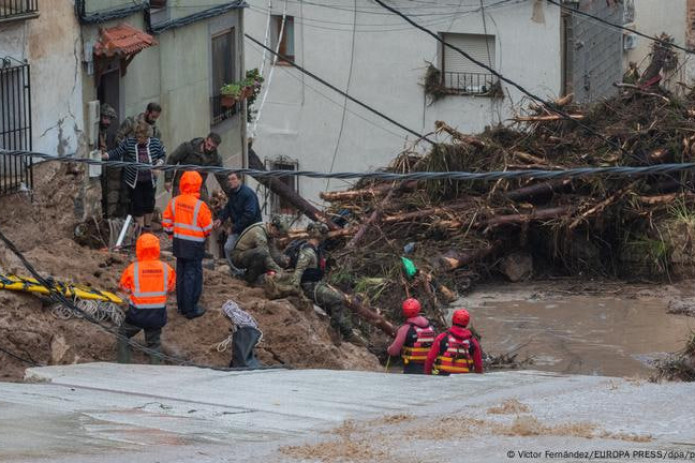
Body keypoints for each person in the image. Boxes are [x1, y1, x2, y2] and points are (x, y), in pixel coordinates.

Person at [277, 222, 367, 346]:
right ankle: (333, 330)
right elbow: (299, 272)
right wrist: (296, 291)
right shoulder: (308, 251)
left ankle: (348, 333)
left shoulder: (317, 249)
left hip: (317, 284)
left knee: (336, 308)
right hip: (309, 286)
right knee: (337, 300)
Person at [117, 233, 176, 364]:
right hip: (157, 314)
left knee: (123, 335)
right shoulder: (166, 269)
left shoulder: (133, 269)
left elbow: (124, 288)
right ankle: (155, 372)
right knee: (154, 343)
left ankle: (122, 366)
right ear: (157, 249)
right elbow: (171, 289)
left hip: (137, 314)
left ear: (139, 249)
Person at [162, 171, 213, 319]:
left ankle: (181, 307)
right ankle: (190, 309)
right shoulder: (200, 206)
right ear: (198, 185)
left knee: (181, 274)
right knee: (193, 275)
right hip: (195, 245)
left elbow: (166, 223)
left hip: (178, 243)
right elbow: (208, 228)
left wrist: (173, 234)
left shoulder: (174, 201)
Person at [103, 121, 166, 232]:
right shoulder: (129, 143)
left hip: (150, 180)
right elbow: (118, 152)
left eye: (141, 137)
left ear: (147, 137)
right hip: (135, 181)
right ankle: (140, 229)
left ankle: (147, 226)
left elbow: (162, 155)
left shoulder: (155, 143)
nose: (138, 139)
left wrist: (158, 165)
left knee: (149, 204)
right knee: (138, 205)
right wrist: (106, 155)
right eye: (137, 137)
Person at [213, 172, 262, 274]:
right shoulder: (233, 193)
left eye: (233, 179)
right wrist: (220, 219)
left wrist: (234, 228)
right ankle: (237, 272)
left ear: (239, 180)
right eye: (229, 179)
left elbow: (249, 214)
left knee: (247, 252)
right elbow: (228, 208)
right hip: (238, 228)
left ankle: (249, 273)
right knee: (228, 248)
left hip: (250, 229)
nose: (230, 181)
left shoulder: (247, 194)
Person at [164, 133, 229, 201]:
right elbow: (172, 159)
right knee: (180, 206)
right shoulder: (188, 147)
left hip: (199, 186)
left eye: (212, 148)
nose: (209, 148)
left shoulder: (215, 158)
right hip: (181, 184)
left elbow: (221, 176)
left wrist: (230, 193)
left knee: (205, 208)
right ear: (205, 140)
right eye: (208, 145)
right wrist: (168, 179)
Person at [230, 217, 288, 285]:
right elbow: (266, 256)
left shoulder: (270, 233)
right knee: (261, 254)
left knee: (275, 260)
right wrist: (279, 270)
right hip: (238, 256)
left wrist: (283, 261)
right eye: (278, 234)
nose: (277, 236)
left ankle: (248, 275)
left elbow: (274, 254)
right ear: (273, 226)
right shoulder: (259, 232)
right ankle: (249, 279)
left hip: (250, 255)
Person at [425, 308, 483, 375]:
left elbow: (430, 358)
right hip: (463, 380)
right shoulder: (472, 342)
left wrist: (428, 375)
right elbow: (478, 366)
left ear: (453, 320)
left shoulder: (442, 337)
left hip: (442, 378)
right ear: (467, 322)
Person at [387, 298, 436, 374]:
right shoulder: (430, 326)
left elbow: (394, 351)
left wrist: (389, 349)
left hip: (412, 367)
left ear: (404, 312)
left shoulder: (405, 329)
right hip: (429, 367)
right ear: (418, 309)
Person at [98, 103, 123, 218]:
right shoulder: (97, 131)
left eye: (110, 119)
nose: (107, 122)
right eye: (105, 118)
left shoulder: (109, 133)